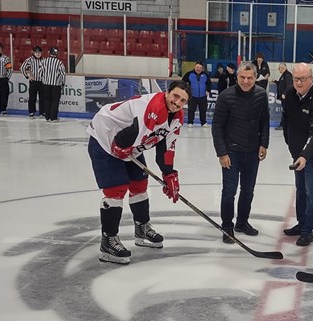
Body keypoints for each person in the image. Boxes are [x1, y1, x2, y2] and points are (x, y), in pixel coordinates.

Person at [86, 81, 191, 264]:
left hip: (130, 144)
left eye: (182, 100)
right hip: (105, 139)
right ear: (167, 92)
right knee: (116, 189)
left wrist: (169, 174)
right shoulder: (153, 108)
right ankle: (108, 241)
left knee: (140, 185)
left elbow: (166, 149)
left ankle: (142, 227)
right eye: (175, 96)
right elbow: (130, 135)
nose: (177, 102)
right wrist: (118, 147)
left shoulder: (176, 118)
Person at [211, 61, 270, 244]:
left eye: (250, 77)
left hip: (252, 153)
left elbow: (265, 122)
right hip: (231, 153)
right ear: (237, 77)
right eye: (242, 77)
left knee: (248, 190)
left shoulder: (261, 95)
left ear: (255, 77)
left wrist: (264, 144)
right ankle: (227, 227)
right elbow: (217, 126)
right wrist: (222, 152)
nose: (245, 81)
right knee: (229, 191)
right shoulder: (225, 96)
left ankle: (242, 222)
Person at [281, 63, 313, 246]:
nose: (299, 82)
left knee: (311, 192)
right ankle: (301, 223)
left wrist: (304, 155)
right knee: (300, 189)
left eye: (303, 79)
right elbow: (285, 120)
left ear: (311, 78)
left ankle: (308, 230)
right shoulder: (290, 93)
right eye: (296, 78)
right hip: (297, 153)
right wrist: (290, 143)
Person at [39, 47, 66, 122]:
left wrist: (43, 79)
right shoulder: (59, 62)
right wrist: (63, 83)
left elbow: (40, 72)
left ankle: (47, 117)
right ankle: (53, 117)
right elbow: (63, 74)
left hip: (46, 84)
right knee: (55, 100)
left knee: (47, 100)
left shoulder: (44, 61)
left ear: (49, 53)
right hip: (56, 85)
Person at [182, 61, 211, 127]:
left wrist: (208, 91)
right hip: (192, 96)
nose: (199, 69)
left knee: (203, 110)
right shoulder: (189, 74)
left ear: (202, 68)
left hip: (203, 96)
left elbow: (209, 83)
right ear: (195, 67)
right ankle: (190, 122)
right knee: (191, 109)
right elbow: (183, 82)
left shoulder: (205, 75)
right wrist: (186, 91)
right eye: (197, 67)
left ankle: (203, 122)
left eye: (200, 68)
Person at [20, 46, 44, 119]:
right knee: (32, 98)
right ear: (34, 53)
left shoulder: (44, 60)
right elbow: (22, 68)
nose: (38, 54)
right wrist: (27, 77)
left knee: (42, 98)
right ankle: (31, 112)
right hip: (33, 81)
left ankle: (42, 112)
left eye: (39, 52)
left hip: (42, 82)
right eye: (36, 52)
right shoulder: (30, 60)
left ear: (41, 53)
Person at [274, 62, 293, 130]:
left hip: (287, 97)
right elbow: (282, 84)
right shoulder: (283, 75)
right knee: (285, 111)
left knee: (285, 111)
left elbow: (289, 85)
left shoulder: (287, 75)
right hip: (283, 97)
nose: (279, 69)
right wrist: (276, 82)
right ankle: (284, 124)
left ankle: (283, 125)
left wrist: (285, 93)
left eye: (280, 68)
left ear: (283, 68)